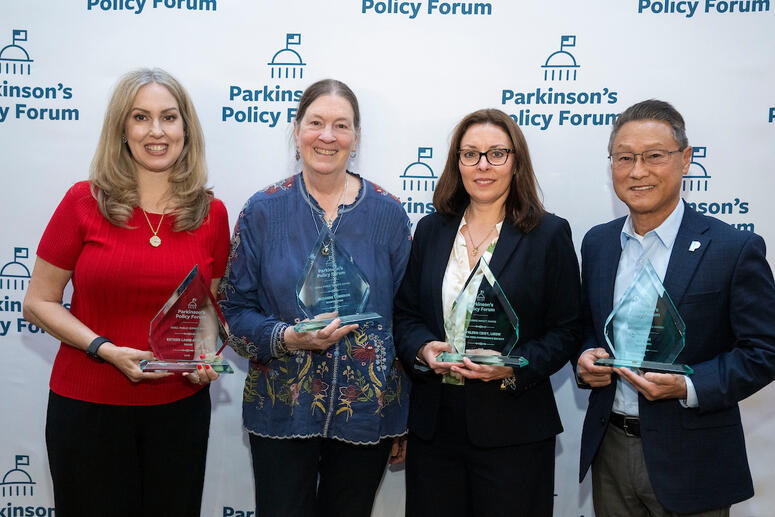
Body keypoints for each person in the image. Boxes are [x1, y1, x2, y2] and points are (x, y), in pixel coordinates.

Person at [22, 68, 230, 517]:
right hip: (88, 409)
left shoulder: (211, 214)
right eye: (141, 117)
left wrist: (205, 359)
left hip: (178, 412)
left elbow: (206, 314)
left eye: (169, 117)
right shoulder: (83, 202)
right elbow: (38, 302)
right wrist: (105, 349)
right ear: (122, 130)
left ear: (186, 130)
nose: (156, 131)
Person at [219, 78, 411, 517]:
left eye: (341, 126)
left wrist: (404, 417)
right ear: (297, 130)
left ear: (356, 138)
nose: (327, 136)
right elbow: (232, 309)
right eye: (316, 123)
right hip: (283, 408)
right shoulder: (262, 211)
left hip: (368, 413)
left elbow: (407, 316)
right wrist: (285, 337)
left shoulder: (388, 212)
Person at [575, 99, 775, 516]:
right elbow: (590, 327)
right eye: (624, 157)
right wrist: (585, 355)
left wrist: (688, 386)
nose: (638, 171)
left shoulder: (733, 249)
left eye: (654, 156)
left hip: (693, 459)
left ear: (685, 160)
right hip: (609, 449)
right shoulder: (597, 243)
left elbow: (765, 351)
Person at [394, 108, 582, 517]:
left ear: (516, 162)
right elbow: (406, 315)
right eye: (470, 154)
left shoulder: (548, 235)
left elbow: (568, 329)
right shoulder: (431, 230)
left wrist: (513, 367)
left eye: (497, 153)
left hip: (514, 426)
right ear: (456, 162)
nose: (483, 165)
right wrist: (424, 349)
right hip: (434, 427)